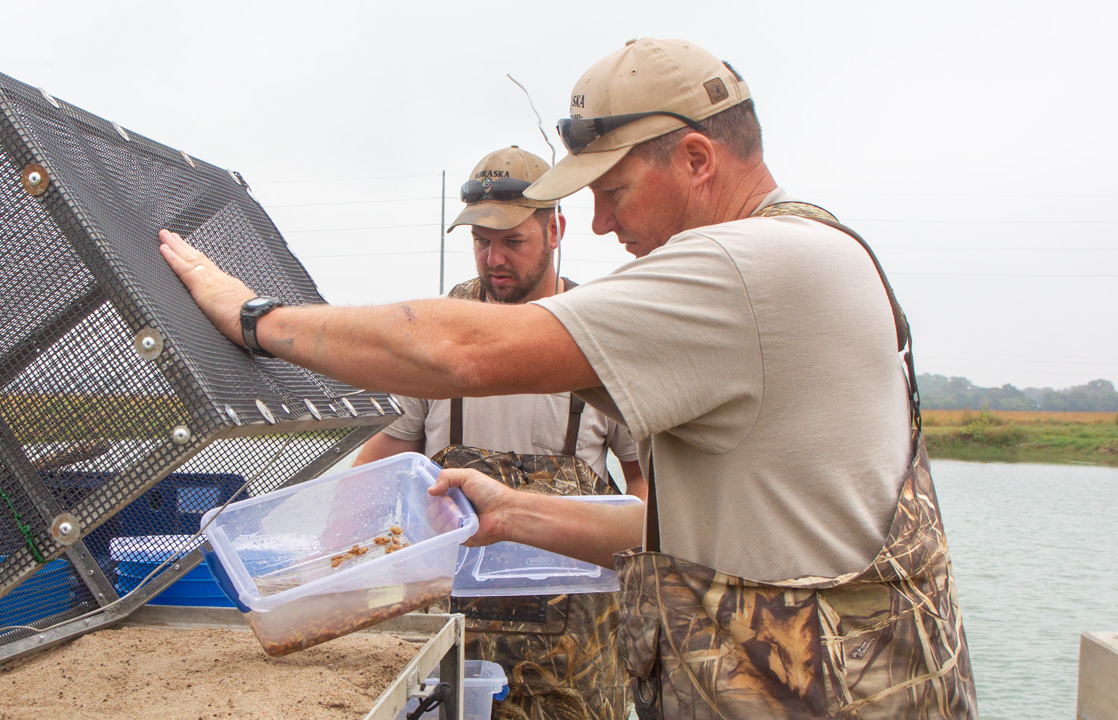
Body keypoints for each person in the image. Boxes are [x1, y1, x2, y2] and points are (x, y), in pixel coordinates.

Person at [159, 37, 975, 719]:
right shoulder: (803, 254)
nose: (600, 222)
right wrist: (512, 511)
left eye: (613, 191)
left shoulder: (745, 266)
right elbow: (671, 525)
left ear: (696, 158)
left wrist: (253, 317)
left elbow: (456, 352)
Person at [353, 145, 643, 720]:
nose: (494, 259)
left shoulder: (601, 335)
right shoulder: (438, 335)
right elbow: (380, 461)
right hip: (452, 651)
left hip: (575, 661)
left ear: (556, 229)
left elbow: (647, 487)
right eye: (482, 241)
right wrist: (328, 565)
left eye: (513, 240)